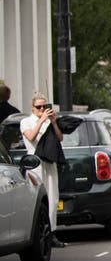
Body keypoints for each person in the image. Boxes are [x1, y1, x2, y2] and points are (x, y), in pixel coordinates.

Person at [20, 94, 67, 247]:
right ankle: (38, 233)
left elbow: (60, 138)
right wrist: (41, 121)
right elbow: (31, 137)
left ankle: (52, 233)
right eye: (39, 107)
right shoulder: (26, 122)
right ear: (33, 108)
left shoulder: (49, 121)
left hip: (50, 161)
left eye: (44, 106)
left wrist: (53, 122)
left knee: (53, 198)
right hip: (35, 163)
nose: (42, 109)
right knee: (38, 199)